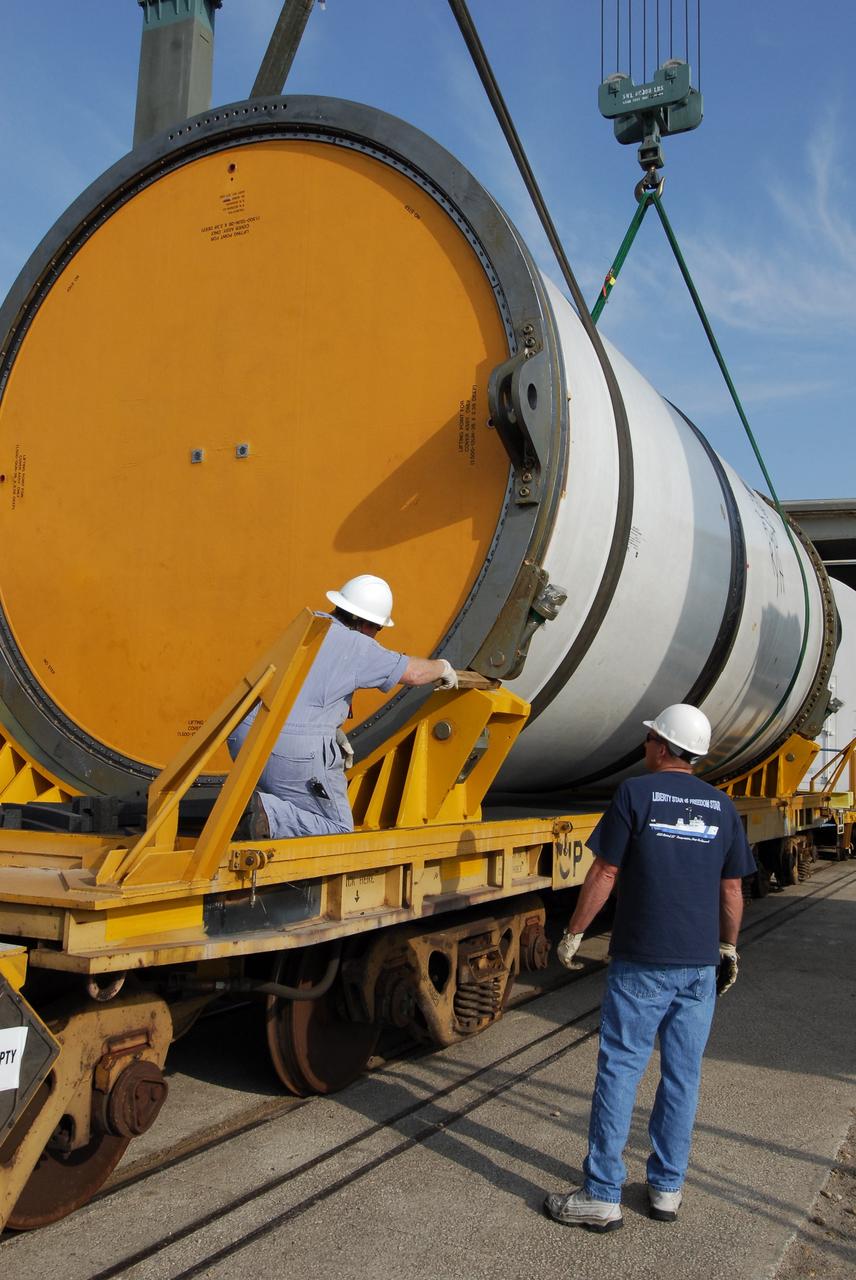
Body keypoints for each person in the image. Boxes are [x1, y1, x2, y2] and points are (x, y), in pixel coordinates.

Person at [543, 703, 755, 1233]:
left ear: (662, 746)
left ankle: (601, 1195)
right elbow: (732, 889)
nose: (645, 747)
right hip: (698, 966)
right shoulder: (723, 808)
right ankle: (666, 1190)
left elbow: (606, 871)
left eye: (650, 739)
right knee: (682, 1077)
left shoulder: (636, 794)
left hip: (641, 962)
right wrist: (728, 948)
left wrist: (574, 933)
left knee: (620, 1070)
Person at [229, 574, 458, 840]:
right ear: (365, 623)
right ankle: (267, 812)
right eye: (378, 629)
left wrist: (330, 727)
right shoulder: (358, 645)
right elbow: (414, 674)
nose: (376, 636)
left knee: (293, 806)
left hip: (245, 736)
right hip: (292, 749)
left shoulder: (310, 626)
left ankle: (261, 815)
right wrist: (443, 667)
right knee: (337, 829)